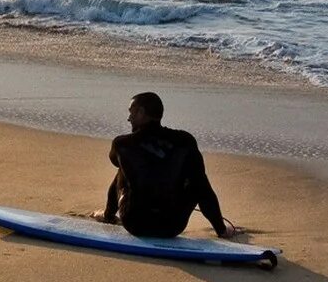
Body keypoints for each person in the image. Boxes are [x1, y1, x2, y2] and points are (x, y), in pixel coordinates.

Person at [98, 92, 236, 238]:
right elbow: (203, 190)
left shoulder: (123, 144)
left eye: (131, 112)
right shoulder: (185, 141)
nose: (129, 118)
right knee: (198, 179)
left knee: (123, 167)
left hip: (136, 223)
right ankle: (221, 231)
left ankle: (108, 216)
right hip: (172, 225)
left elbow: (114, 161)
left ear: (141, 112)